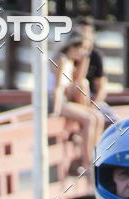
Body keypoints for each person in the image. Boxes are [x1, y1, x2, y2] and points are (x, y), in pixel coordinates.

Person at [49, 31, 104, 178]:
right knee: (89, 119)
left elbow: (78, 83)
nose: (84, 53)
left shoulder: (70, 62)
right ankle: (87, 164)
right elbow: (57, 88)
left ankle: (95, 156)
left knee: (98, 117)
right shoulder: (61, 60)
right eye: (82, 49)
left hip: (64, 101)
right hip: (56, 101)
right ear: (72, 47)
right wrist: (55, 110)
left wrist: (84, 62)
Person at [75, 15, 118, 124]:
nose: (84, 36)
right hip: (75, 98)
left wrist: (93, 105)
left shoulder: (96, 56)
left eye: (87, 32)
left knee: (113, 119)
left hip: (92, 98)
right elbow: (75, 83)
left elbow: (101, 87)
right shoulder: (71, 55)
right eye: (81, 32)